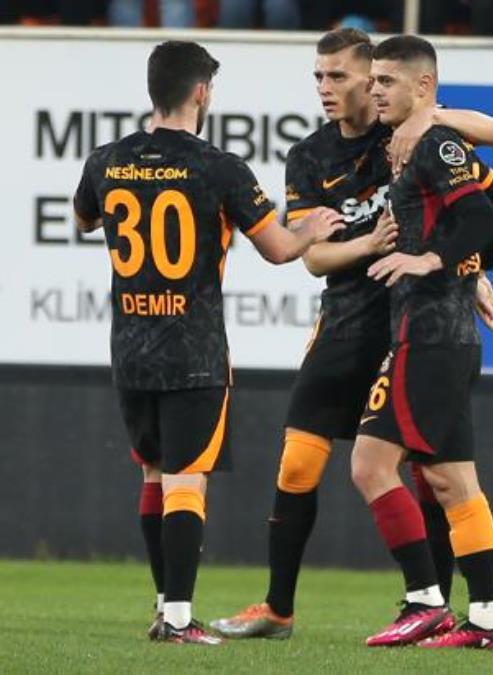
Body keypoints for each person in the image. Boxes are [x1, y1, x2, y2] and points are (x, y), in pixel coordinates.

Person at [207, 27, 493, 640]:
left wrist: (468, 269)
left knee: (428, 470)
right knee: (300, 461)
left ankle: (430, 602)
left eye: (339, 76)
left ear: (372, 80)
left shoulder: (408, 130)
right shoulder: (310, 156)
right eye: (318, 76)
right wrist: (371, 243)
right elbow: (315, 259)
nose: (326, 87)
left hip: (410, 320)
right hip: (348, 320)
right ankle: (279, 607)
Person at [72, 40, 344, 644]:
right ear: (201, 92)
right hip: (193, 352)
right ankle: (177, 617)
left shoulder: (105, 161)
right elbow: (279, 249)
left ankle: (163, 604)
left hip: (130, 346)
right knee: (186, 480)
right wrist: (312, 228)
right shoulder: (218, 166)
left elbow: (84, 219)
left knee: (154, 475)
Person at [350, 34, 493, 650]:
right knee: (452, 482)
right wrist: (472, 271)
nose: (374, 90)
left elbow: (484, 216)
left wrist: (435, 261)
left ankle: (425, 601)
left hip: (429, 336)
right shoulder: (419, 141)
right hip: (443, 334)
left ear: (423, 86)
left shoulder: (434, 142)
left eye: (386, 81)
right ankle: (488, 621)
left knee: (370, 465)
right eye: (373, 81)